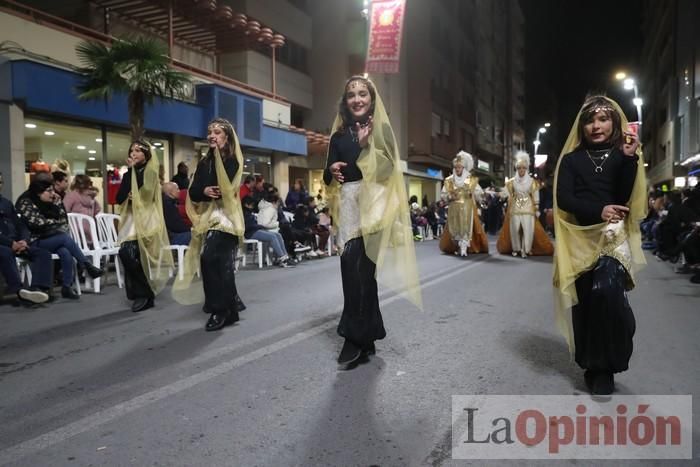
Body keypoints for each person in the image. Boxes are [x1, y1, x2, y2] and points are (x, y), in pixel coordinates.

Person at [324, 75, 421, 368]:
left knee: (359, 268)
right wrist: (333, 168)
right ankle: (369, 334)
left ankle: (353, 338)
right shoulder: (338, 137)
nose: (357, 99)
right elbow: (330, 176)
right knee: (353, 271)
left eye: (362, 93)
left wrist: (368, 147)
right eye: (351, 94)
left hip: (375, 206)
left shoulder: (383, 132)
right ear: (346, 100)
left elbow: (388, 172)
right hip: (350, 205)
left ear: (371, 99)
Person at [553, 95, 646, 395]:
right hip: (580, 238)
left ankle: (612, 358)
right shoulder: (570, 160)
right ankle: (594, 368)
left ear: (614, 123)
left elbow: (623, 195)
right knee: (587, 302)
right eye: (590, 120)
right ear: (582, 126)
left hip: (612, 236)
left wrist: (630, 160)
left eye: (603, 119)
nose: (596, 126)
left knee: (606, 291)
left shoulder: (623, 155)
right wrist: (598, 211)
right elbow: (565, 199)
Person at [173, 118, 246, 331]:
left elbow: (224, 186)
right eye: (209, 132)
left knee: (209, 257)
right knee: (220, 262)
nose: (211, 136)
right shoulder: (205, 162)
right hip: (209, 217)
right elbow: (194, 191)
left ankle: (220, 309)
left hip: (227, 218)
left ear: (226, 137)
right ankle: (230, 308)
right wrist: (204, 191)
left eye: (217, 132)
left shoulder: (232, 160)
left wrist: (207, 185)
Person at [16, 178, 103, 299]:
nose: (53, 194)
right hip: (32, 241)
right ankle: (86, 265)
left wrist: (58, 204)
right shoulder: (26, 202)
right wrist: (53, 224)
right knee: (64, 238)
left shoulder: (51, 203)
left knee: (65, 251)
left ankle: (67, 287)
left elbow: (63, 222)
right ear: (39, 192)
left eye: (52, 191)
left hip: (49, 239)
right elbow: (39, 223)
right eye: (49, 191)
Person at [116, 140, 173, 312]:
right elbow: (120, 198)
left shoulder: (152, 171)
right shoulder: (129, 173)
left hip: (147, 219)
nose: (134, 153)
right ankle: (144, 292)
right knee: (126, 253)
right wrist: (130, 172)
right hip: (131, 221)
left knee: (132, 254)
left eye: (138, 151)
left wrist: (136, 194)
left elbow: (146, 193)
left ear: (146, 155)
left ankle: (143, 294)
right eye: (132, 150)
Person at [0, 172, 51, 304]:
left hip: (17, 242)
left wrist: (24, 240)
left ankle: (37, 289)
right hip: (4, 244)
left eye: (0, 182)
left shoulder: (6, 203)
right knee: (5, 253)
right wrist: (11, 243)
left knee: (43, 253)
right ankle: (19, 292)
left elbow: (21, 225)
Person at [496, 152, 553, 257]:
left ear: (526, 169)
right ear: (516, 169)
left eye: (523, 168)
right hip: (515, 208)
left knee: (527, 229)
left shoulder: (532, 182)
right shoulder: (511, 182)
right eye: (519, 168)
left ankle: (525, 249)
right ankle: (516, 248)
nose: (521, 170)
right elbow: (506, 193)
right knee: (515, 229)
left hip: (528, 208)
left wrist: (536, 209)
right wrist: (499, 194)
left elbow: (536, 195)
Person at [439, 151, 488, 256]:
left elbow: (478, 192)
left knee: (465, 228)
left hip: (467, 208)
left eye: (460, 167)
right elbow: (443, 194)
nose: (458, 169)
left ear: (464, 168)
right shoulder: (449, 180)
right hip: (454, 208)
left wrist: (481, 197)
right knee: (454, 229)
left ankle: (464, 249)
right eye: (456, 167)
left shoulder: (470, 180)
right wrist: (449, 197)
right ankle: (457, 246)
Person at [243, 196, 294, 267]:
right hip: (250, 233)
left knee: (277, 235)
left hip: (255, 230)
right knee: (272, 237)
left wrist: (259, 226)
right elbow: (248, 226)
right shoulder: (245, 213)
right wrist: (259, 226)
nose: (252, 206)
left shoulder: (249, 212)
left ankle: (285, 256)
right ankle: (282, 258)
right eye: (251, 205)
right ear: (246, 204)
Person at [162, 182, 192, 246]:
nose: (179, 191)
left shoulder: (170, 203)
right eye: (177, 189)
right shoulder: (168, 205)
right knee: (196, 236)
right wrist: (191, 229)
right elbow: (176, 226)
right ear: (171, 193)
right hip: (171, 238)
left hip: (172, 235)